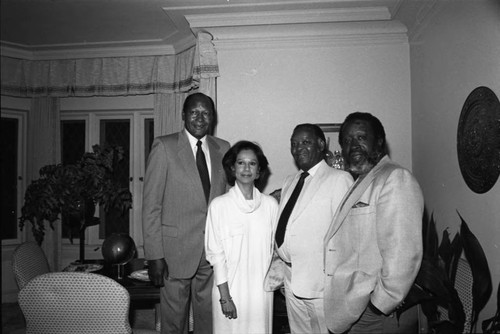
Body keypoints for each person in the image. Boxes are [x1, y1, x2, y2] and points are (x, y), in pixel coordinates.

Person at [324, 112, 424, 334]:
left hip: (375, 313)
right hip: (354, 308)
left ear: (379, 141)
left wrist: (378, 306)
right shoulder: (361, 180)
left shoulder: (395, 178)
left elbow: (403, 254)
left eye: (361, 137)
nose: (354, 145)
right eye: (348, 140)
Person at [142, 92, 230, 334]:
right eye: (194, 112)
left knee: (209, 322)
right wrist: (154, 256)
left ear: (213, 117)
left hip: (211, 253)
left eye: (206, 113)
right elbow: (151, 207)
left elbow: (228, 198)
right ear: (183, 115)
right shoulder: (164, 146)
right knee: (173, 325)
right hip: (173, 254)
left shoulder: (223, 148)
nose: (200, 118)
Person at [269, 123, 353, 334]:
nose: (298, 148)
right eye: (294, 144)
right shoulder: (291, 181)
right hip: (290, 279)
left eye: (305, 142)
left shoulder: (339, 179)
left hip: (321, 285)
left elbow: (347, 236)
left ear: (321, 144)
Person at [205, 140, 279, 334]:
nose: (246, 168)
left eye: (252, 163)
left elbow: (277, 250)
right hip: (229, 291)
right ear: (232, 168)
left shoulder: (271, 205)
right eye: (240, 162)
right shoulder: (219, 206)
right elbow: (216, 255)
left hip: (261, 294)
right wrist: (225, 298)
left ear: (259, 170)